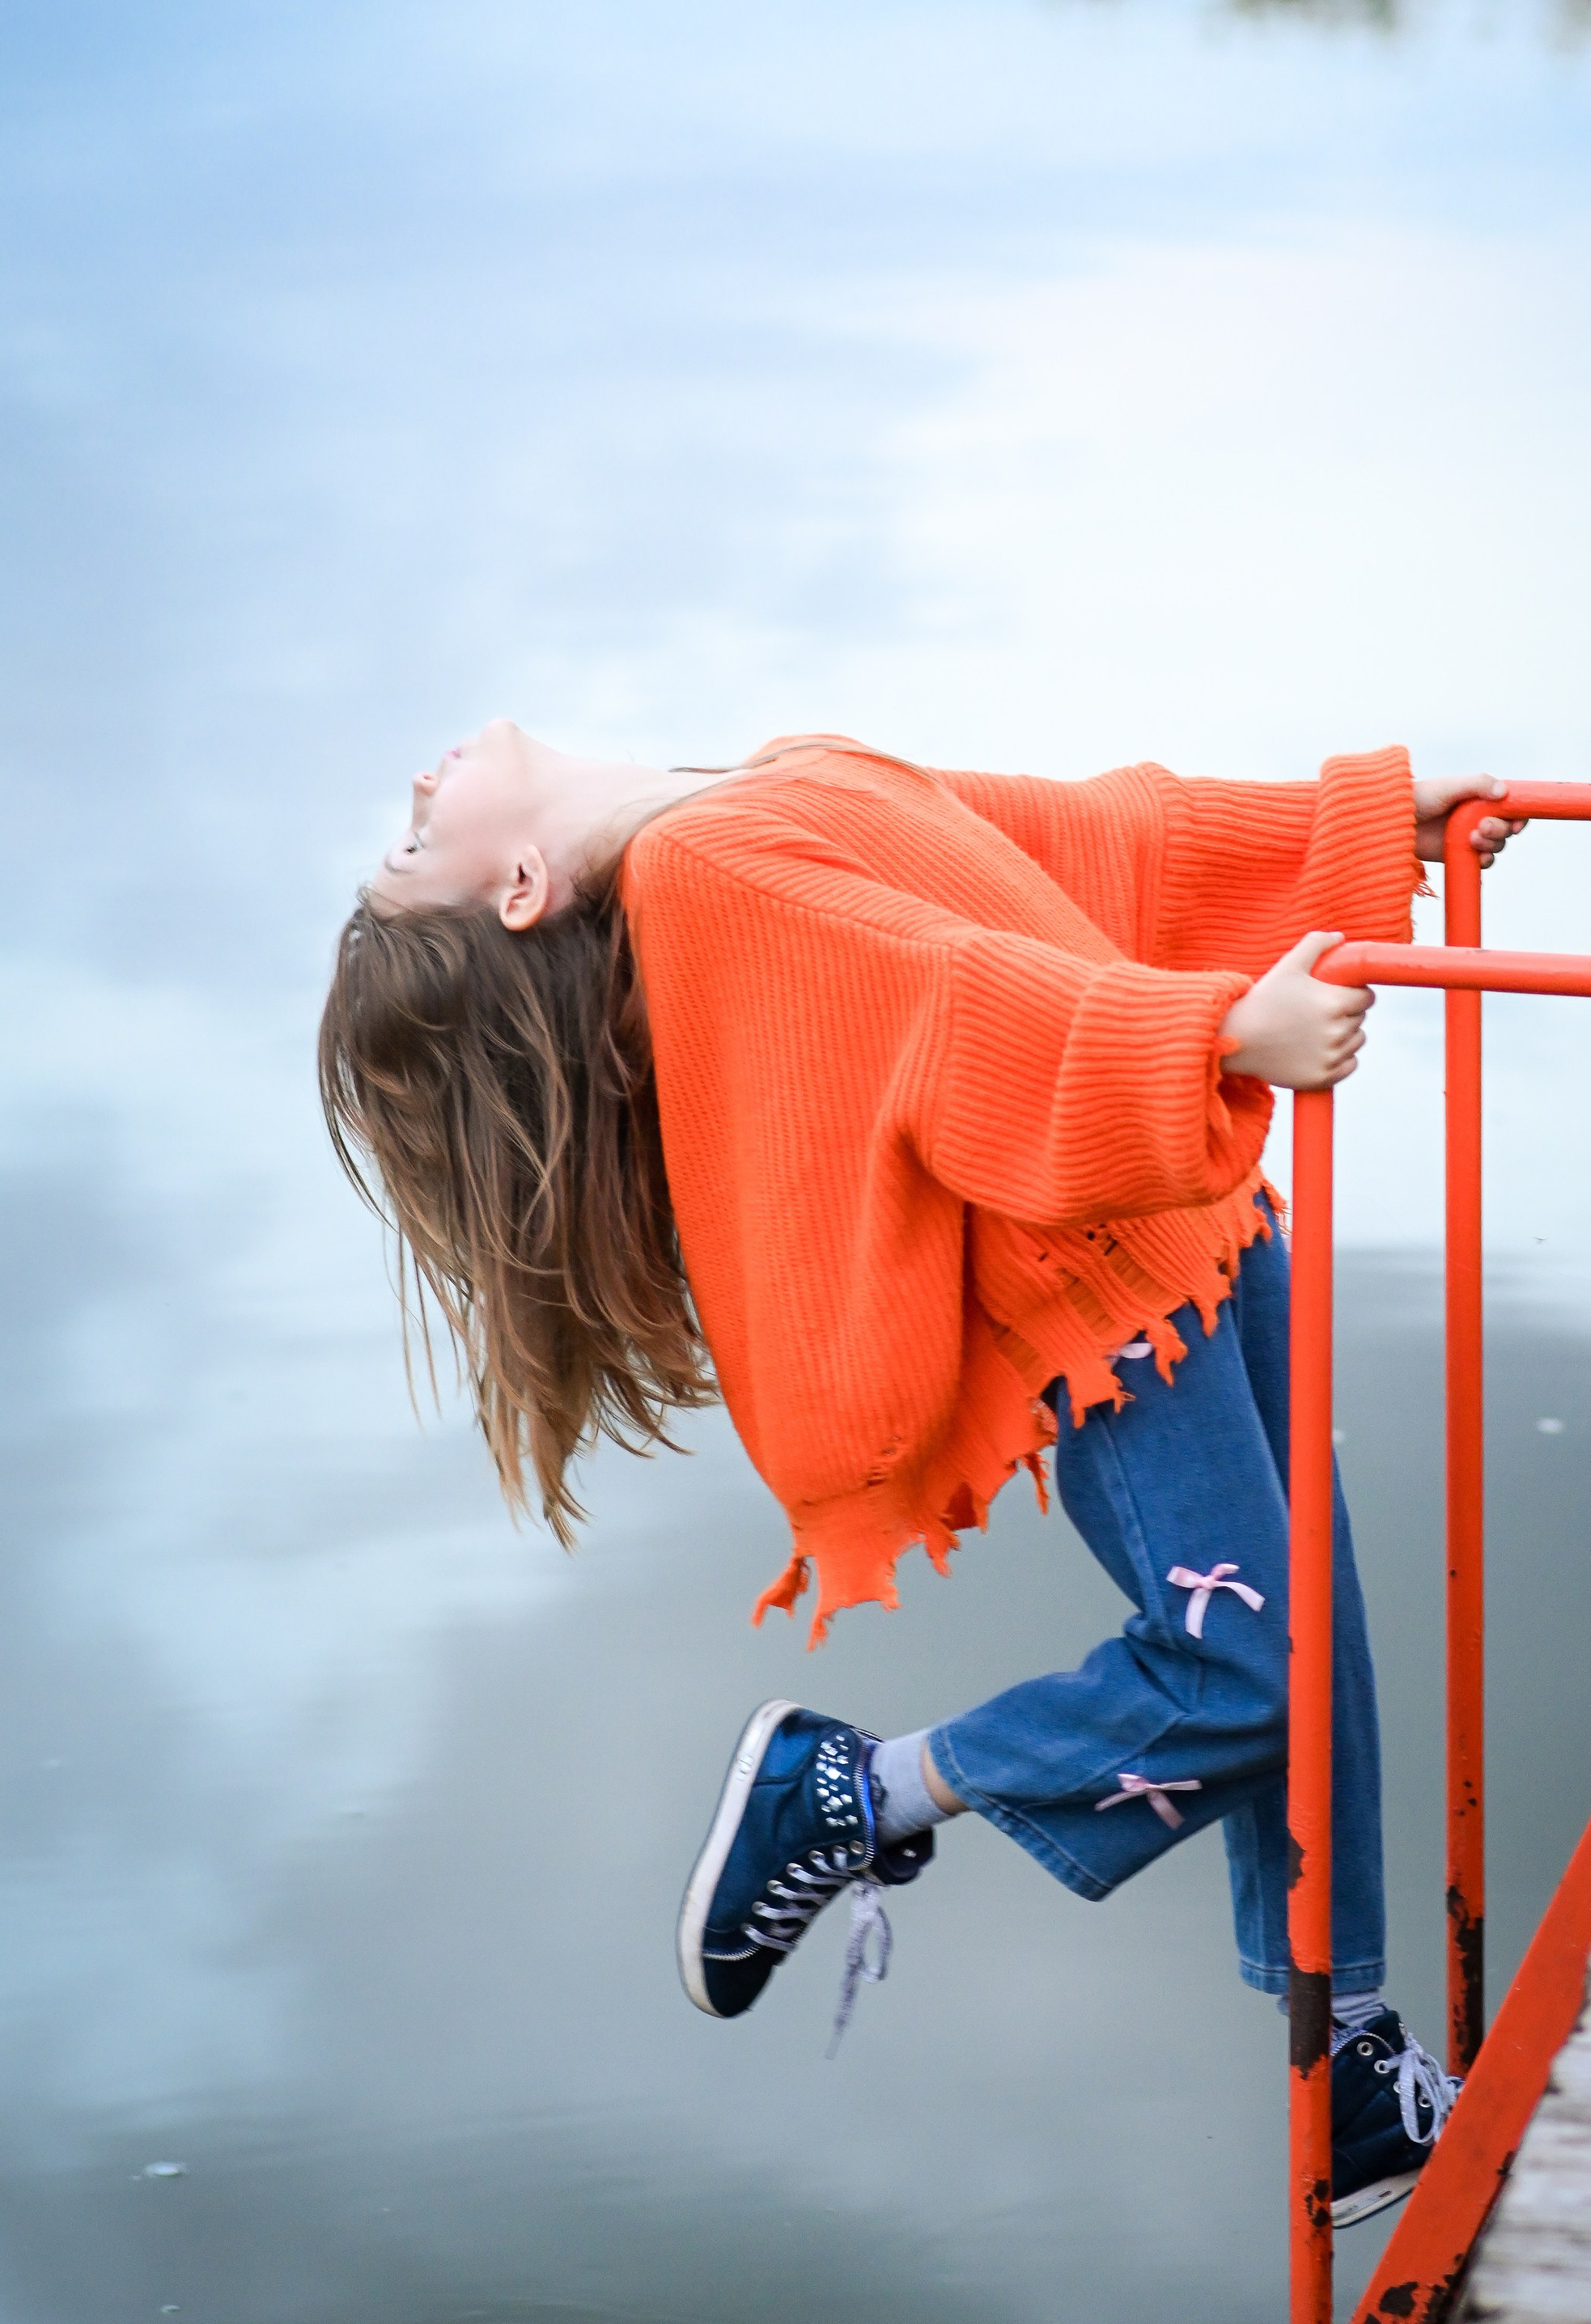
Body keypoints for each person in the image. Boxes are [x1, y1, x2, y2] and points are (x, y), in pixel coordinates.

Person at [320, 723, 1523, 2224]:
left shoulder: (740, 789)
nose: (418, 782)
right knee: (1247, 1668)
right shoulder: (705, 866)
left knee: (1310, 1651)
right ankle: (859, 1793)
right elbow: (948, 1004)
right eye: (410, 838)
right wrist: (1212, 1040)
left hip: (1190, 1216)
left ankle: (1344, 2060)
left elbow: (1069, 845)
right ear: (516, 887)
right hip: (1093, 1280)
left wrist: (1340, 822)